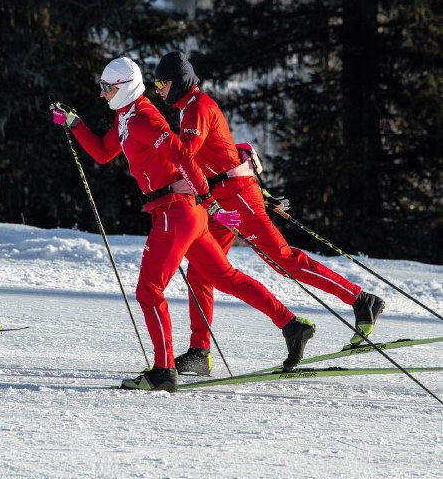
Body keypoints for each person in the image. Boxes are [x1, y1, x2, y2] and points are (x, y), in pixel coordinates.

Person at [51, 56, 316, 392]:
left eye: (108, 88)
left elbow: (183, 155)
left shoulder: (144, 119)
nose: (103, 94)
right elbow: (104, 153)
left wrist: (211, 202)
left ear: (125, 87)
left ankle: (163, 371)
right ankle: (291, 324)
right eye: (102, 88)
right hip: (183, 213)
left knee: (149, 291)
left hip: (174, 212)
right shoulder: (126, 117)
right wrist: (75, 123)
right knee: (223, 276)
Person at [153, 50, 385, 376]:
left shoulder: (197, 108)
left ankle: (361, 300)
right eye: (155, 83)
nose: (158, 89)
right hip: (221, 202)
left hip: (236, 196)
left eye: (162, 82)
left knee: (281, 258)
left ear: (178, 82)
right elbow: (220, 154)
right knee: (200, 271)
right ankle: (200, 351)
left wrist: (149, 145)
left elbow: (185, 157)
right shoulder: (188, 110)